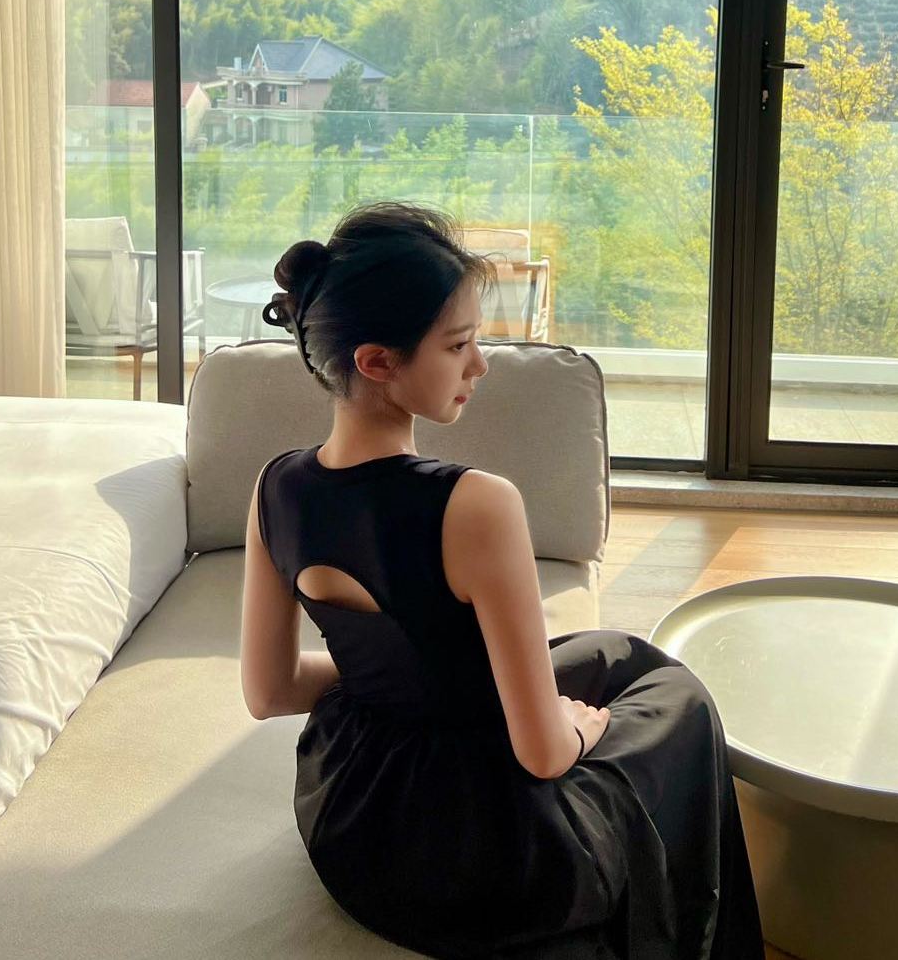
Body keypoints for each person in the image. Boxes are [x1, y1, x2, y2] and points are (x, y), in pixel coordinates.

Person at [240, 199, 764, 959]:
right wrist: (583, 727)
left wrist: (388, 667)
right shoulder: (474, 504)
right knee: (679, 700)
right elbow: (542, 755)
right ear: (377, 362)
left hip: (353, 823)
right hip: (480, 853)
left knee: (619, 654)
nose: (479, 365)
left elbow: (271, 692)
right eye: (458, 346)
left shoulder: (274, 487)